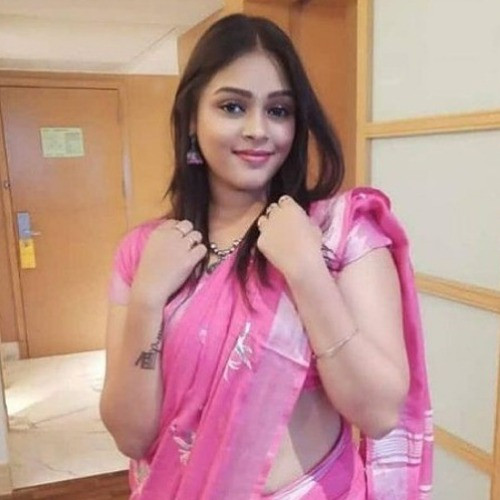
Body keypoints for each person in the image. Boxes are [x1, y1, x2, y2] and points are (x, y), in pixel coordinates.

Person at [100, 14, 433, 500]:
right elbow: (130, 437)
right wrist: (149, 297)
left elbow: (379, 414)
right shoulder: (144, 252)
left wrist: (307, 271)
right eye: (233, 106)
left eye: (278, 110)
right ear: (192, 118)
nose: (258, 130)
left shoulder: (341, 233)